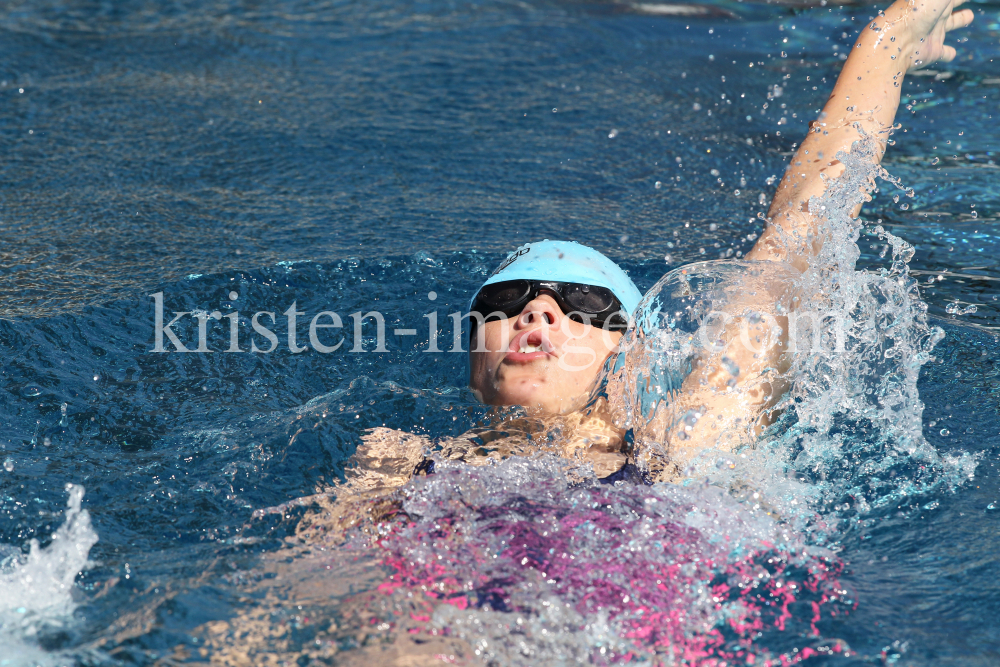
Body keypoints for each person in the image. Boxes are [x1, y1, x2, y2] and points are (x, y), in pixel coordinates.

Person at [350, 0, 975, 489]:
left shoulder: (681, 449)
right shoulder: (394, 461)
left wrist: (884, 46)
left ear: (635, 362)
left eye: (584, 304)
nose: (537, 310)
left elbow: (801, 233)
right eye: (506, 299)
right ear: (472, 366)